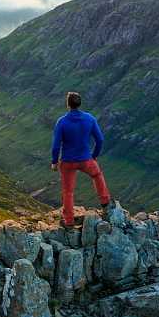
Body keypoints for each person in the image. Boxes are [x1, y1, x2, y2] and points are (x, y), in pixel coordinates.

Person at [50, 92, 111, 227]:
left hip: (67, 162)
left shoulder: (62, 122)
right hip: (86, 159)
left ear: (68, 104)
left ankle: (69, 221)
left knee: (68, 191)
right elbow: (100, 139)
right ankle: (105, 201)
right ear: (80, 103)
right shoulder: (90, 119)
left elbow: (56, 145)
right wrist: (94, 155)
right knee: (97, 175)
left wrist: (54, 162)